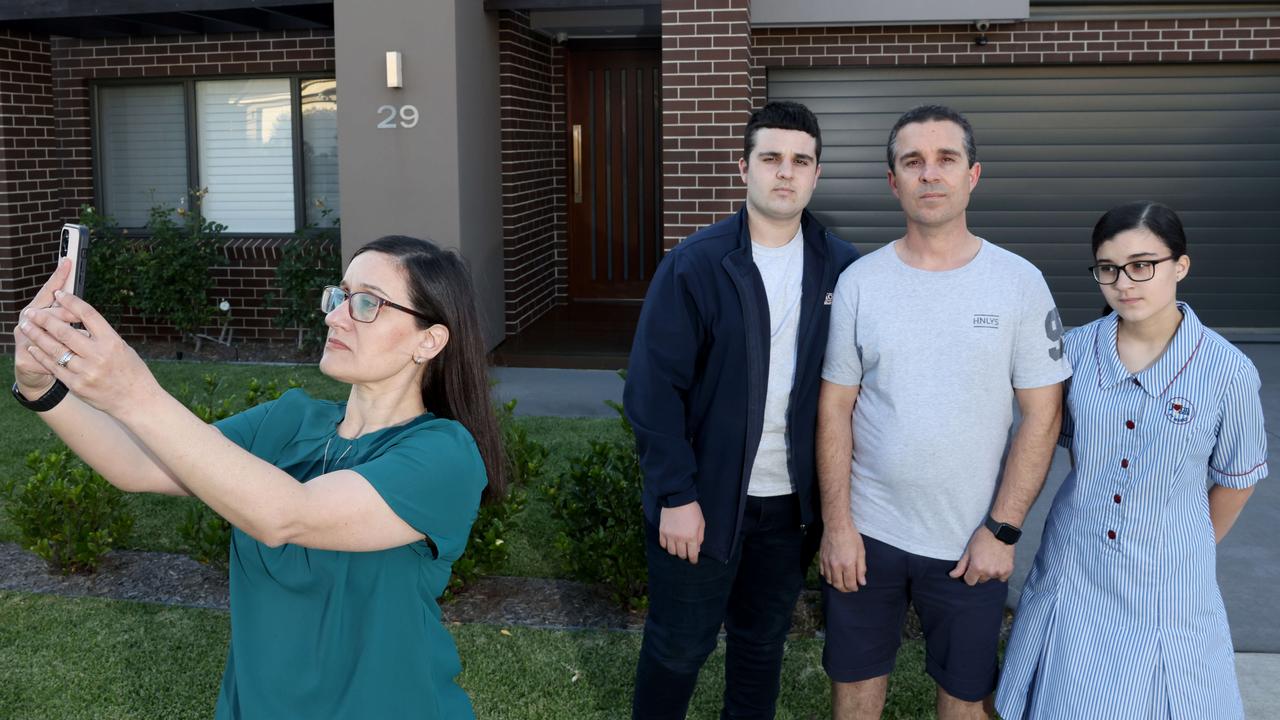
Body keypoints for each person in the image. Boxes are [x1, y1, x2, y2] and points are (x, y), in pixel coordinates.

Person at [11, 235, 504, 719]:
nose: (334, 316)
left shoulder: (445, 455)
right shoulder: (289, 421)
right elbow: (138, 464)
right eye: (340, 296)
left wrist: (134, 392)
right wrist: (41, 387)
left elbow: (287, 516)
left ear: (429, 340)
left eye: (367, 304)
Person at [817, 104, 1071, 720]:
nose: (930, 174)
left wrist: (1003, 530)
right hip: (868, 536)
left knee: (965, 702)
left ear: (973, 175)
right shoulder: (861, 282)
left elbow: (1043, 416)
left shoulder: (1019, 282)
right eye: (913, 161)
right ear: (893, 180)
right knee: (854, 694)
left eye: (945, 159)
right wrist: (838, 527)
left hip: (970, 544)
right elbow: (835, 407)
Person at [626, 100, 859, 719]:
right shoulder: (695, 265)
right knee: (678, 648)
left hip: (791, 511)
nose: (786, 172)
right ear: (744, 168)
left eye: (800, 161)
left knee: (761, 648)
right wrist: (676, 495)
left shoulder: (846, 268)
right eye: (771, 158)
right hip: (703, 503)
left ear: (816, 174)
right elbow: (653, 392)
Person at [995, 201, 1267, 720]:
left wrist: (1187, 542)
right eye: (1108, 268)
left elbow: (1236, 479)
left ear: (1180, 266)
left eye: (1143, 265)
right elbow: (1040, 434)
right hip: (1079, 564)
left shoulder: (1227, 370)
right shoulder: (1073, 352)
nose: (1125, 282)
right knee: (1069, 699)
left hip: (1171, 576)